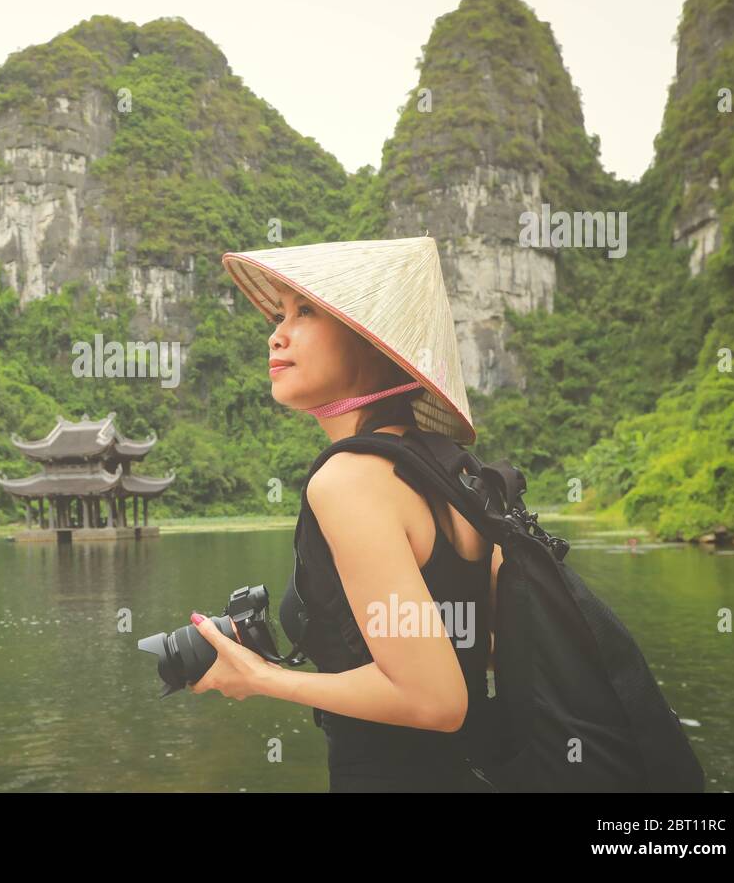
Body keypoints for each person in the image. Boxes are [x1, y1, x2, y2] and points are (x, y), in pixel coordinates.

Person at [192, 237, 504, 792]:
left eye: (306, 311)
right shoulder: (455, 472)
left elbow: (436, 701)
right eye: (281, 313)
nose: (276, 333)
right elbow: (482, 651)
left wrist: (263, 679)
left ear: (370, 341)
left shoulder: (350, 479)